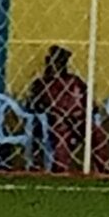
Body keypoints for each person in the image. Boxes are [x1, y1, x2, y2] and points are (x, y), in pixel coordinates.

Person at [25, 45, 91, 175]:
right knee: (62, 132)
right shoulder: (41, 83)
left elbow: (90, 103)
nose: (57, 65)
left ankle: (103, 170)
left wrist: (84, 113)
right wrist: (52, 113)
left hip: (79, 120)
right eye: (54, 61)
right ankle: (60, 170)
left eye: (61, 62)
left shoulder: (76, 81)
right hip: (53, 122)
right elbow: (32, 105)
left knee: (97, 133)